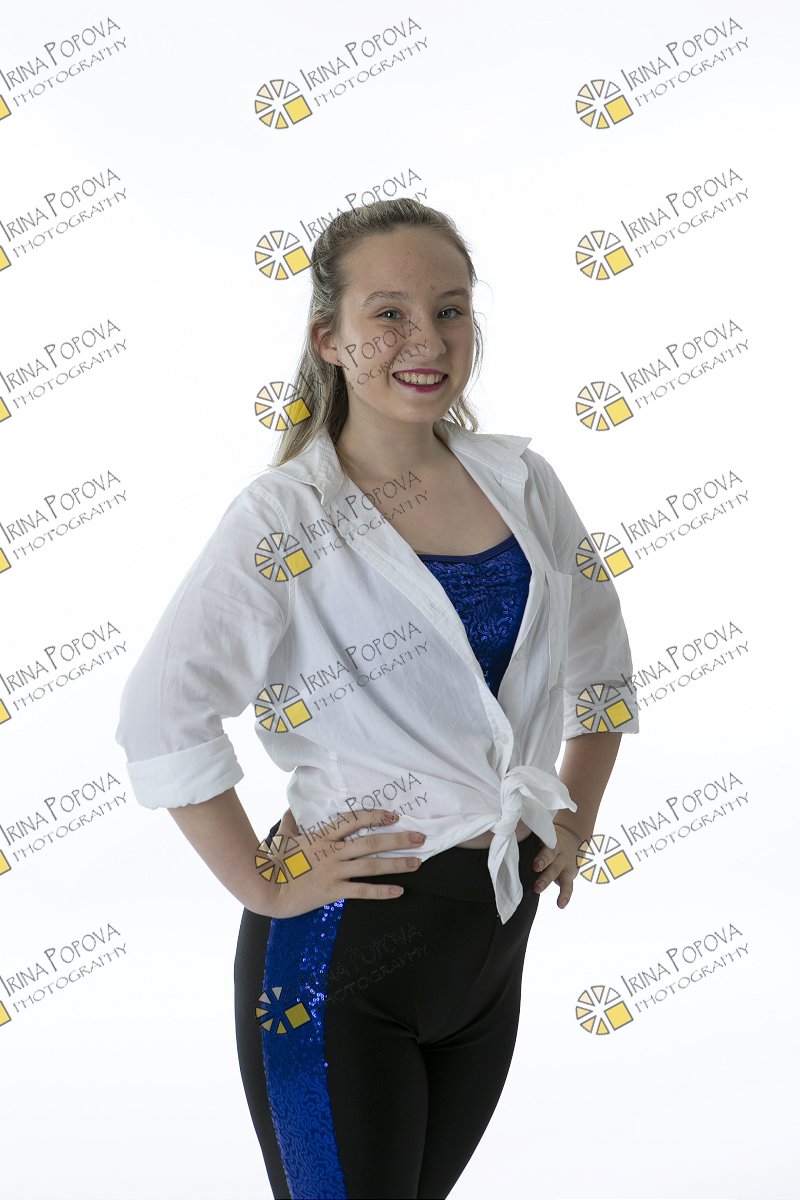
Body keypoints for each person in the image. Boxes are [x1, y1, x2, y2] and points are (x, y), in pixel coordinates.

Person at [115, 197, 639, 1200]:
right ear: (329, 337)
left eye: (450, 310)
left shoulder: (524, 483)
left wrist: (575, 816)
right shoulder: (284, 516)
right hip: (339, 960)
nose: (426, 341)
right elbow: (159, 714)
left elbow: (601, 665)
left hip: (491, 947)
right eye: (389, 314)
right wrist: (262, 885)